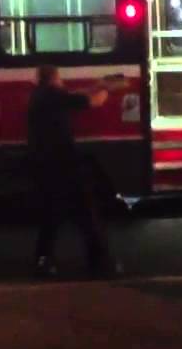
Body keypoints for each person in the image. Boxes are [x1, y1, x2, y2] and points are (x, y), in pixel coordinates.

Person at [28, 65, 120, 277]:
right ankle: (100, 262)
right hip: (63, 163)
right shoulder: (52, 95)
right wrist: (108, 89)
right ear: (54, 78)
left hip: (47, 163)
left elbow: (74, 95)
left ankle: (43, 261)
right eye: (60, 77)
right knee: (86, 211)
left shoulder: (42, 95)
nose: (62, 81)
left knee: (52, 215)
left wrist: (97, 84)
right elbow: (93, 102)